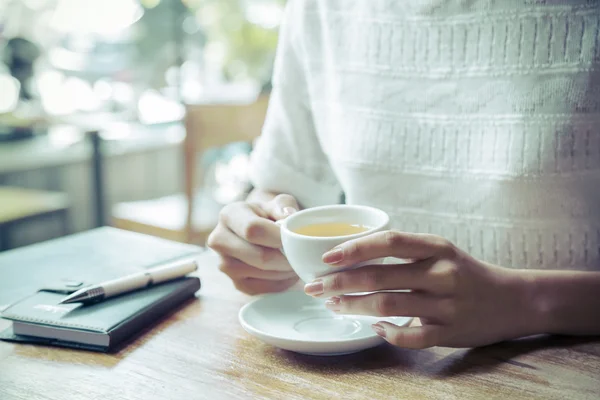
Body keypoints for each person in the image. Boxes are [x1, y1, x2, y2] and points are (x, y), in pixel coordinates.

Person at [207, 0, 600, 349]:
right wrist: (258, 238)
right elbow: (283, 189)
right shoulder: (318, 9)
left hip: (564, 366)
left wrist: (523, 301)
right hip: (383, 361)